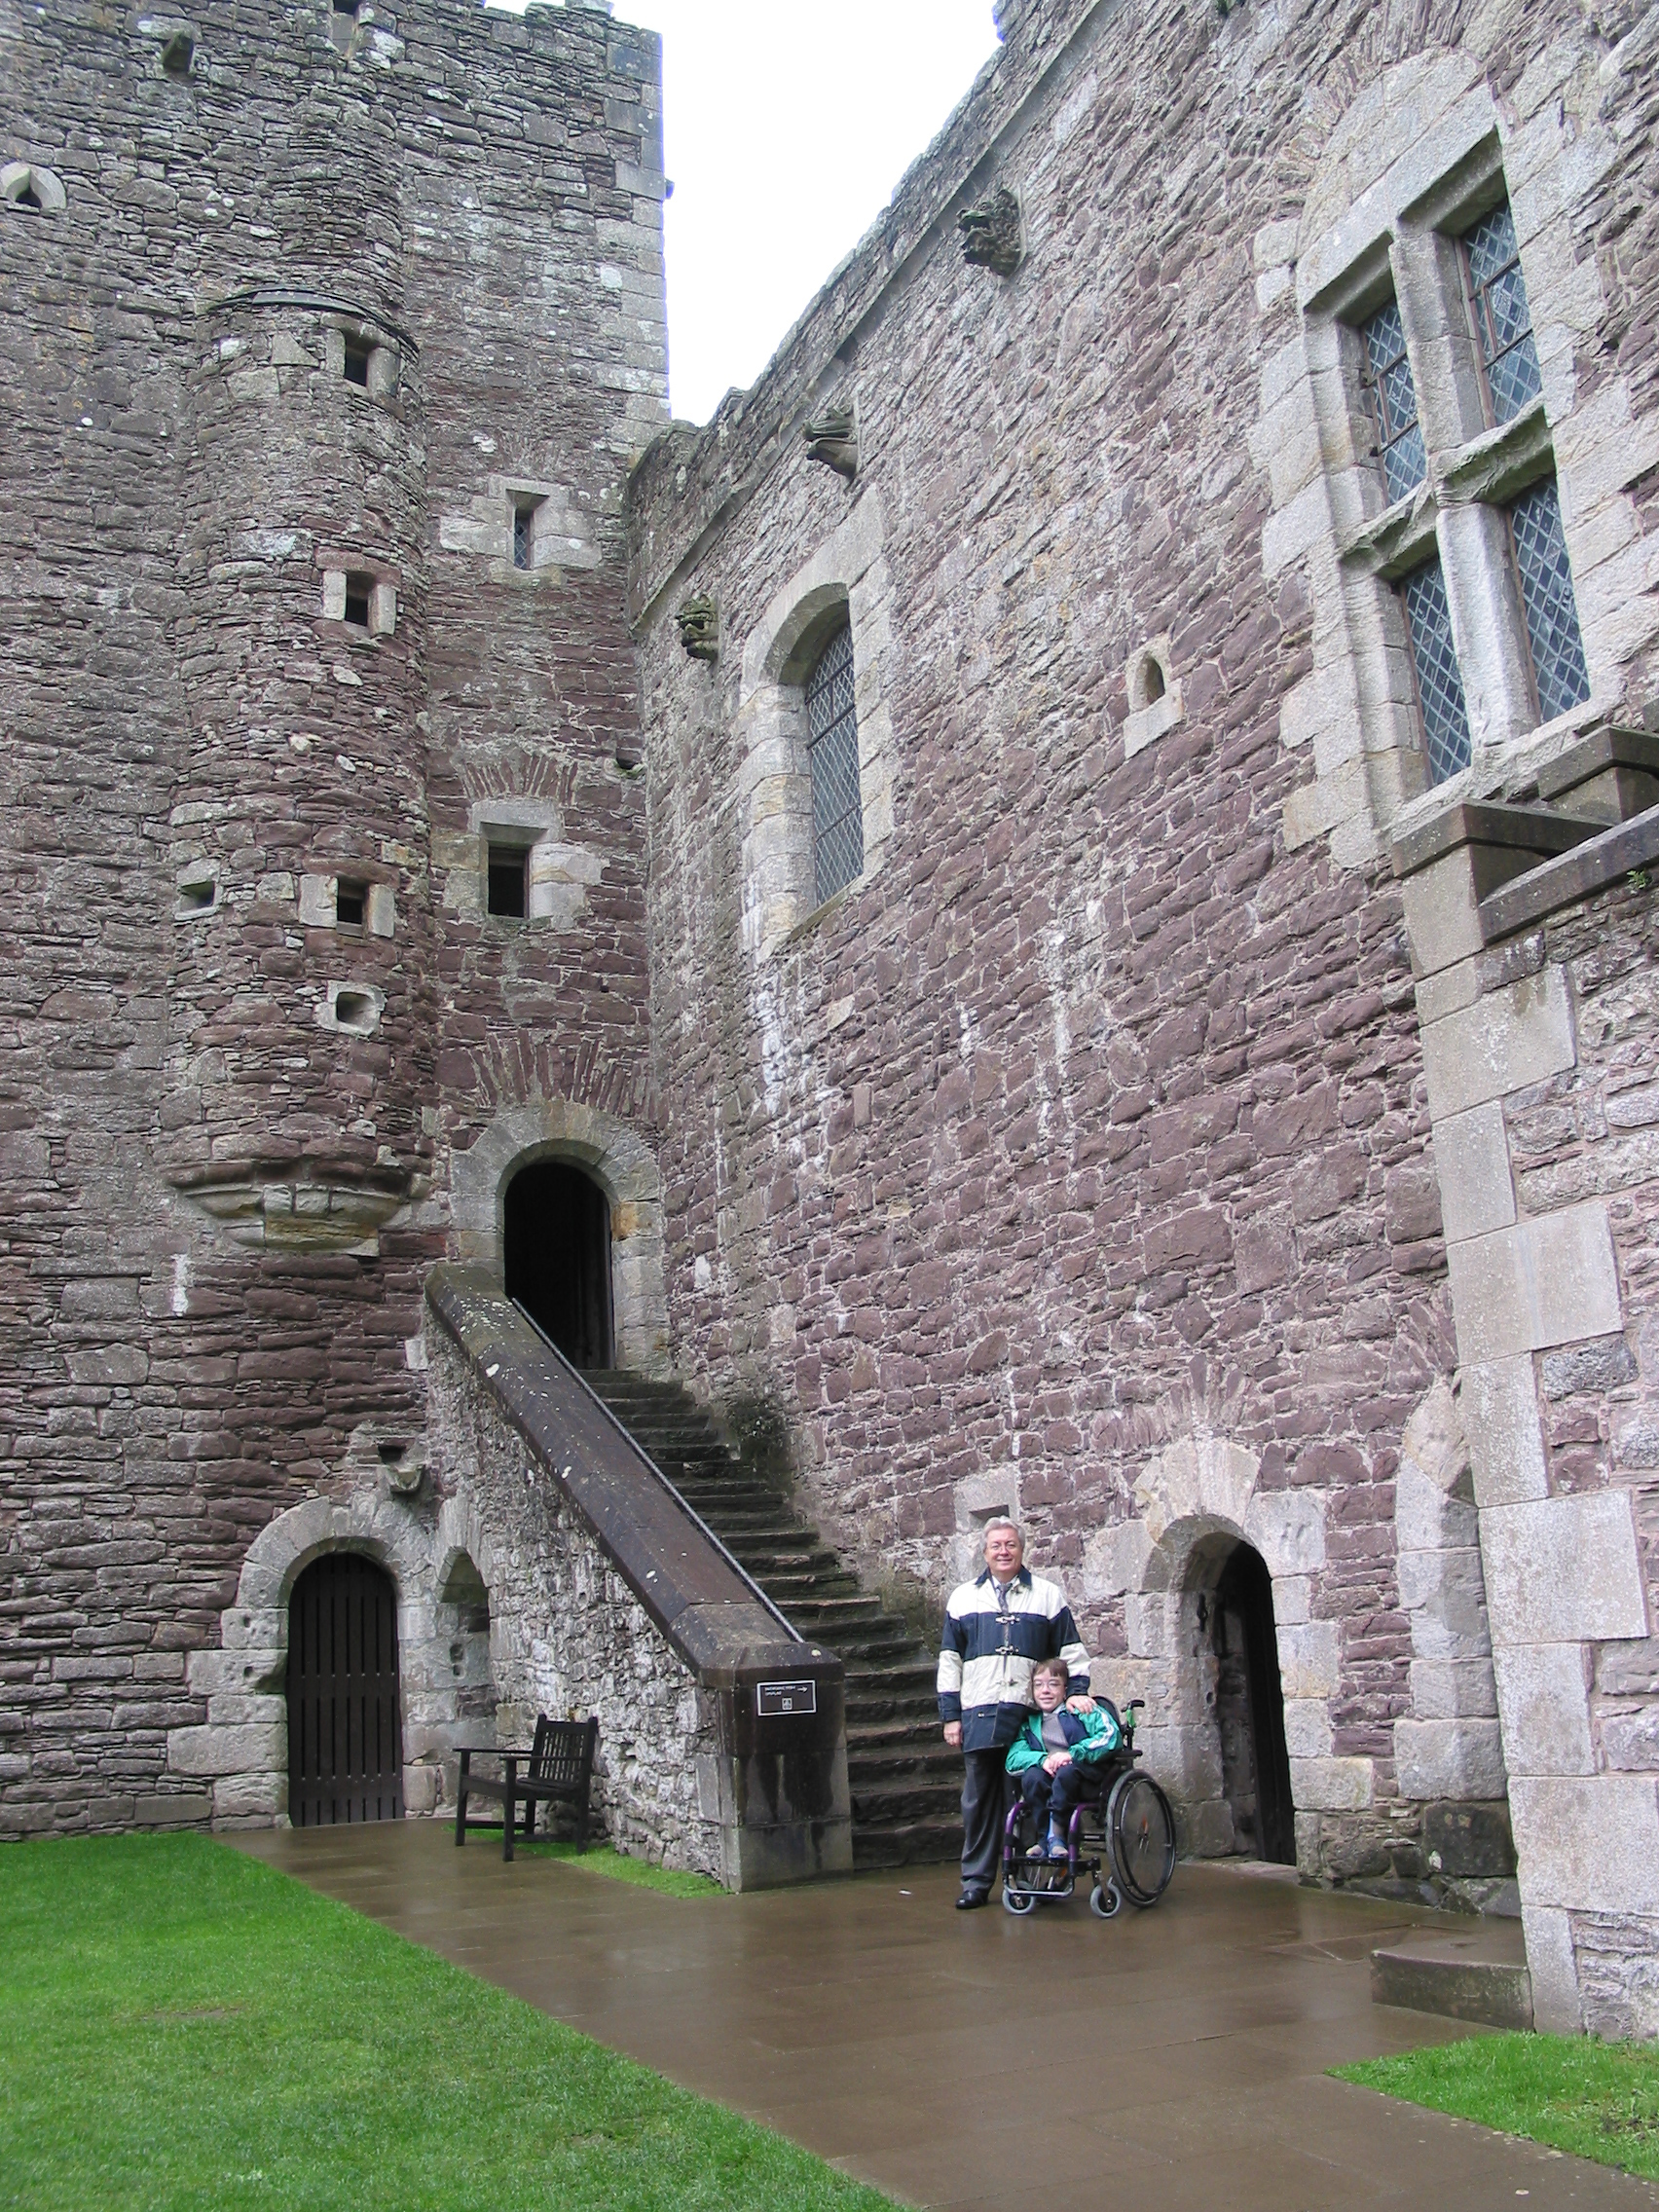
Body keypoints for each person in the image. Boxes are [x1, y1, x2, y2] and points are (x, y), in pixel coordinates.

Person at [937, 1518, 1092, 1909]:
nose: (1003, 1551)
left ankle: (1030, 1877)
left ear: (1022, 1550)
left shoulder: (1047, 1596)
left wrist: (1076, 1694)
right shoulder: (962, 1599)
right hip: (978, 1715)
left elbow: (1071, 1653)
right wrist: (950, 1715)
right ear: (985, 1552)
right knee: (977, 1802)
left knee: (1028, 1797)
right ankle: (975, 1882)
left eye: (1010, 1545)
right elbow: (950, 1662)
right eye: (996, 1546)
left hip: (1028, 1719)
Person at [1005, 1654, 1120, 1859]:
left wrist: (1072, 1754)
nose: (1045, 1691)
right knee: (1032, 1777)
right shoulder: (1029, 1723)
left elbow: (1110, 1737)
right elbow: (1013, 1759)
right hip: (1051, 1779)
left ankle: (1056, 1835)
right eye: (1038, 1685)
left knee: (1066, 1772)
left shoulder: (1083, 1710)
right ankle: (1044, 1837)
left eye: (1053, 1684)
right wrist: (1043, 1759)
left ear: (1065, 1689)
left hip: (1086, 1777)